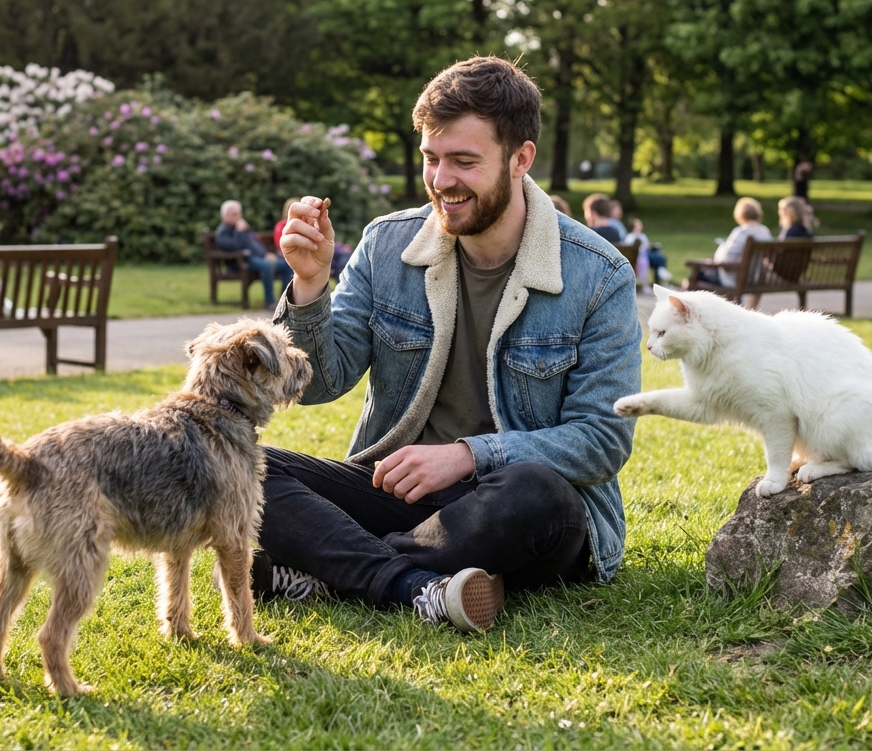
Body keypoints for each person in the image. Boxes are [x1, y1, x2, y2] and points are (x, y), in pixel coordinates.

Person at [258, 56, 641, 633]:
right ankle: (415, 586)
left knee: (534, 491)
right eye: (431, 159)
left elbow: (601, 440)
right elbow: (319, 385)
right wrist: (311, 286)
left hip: (518, 505)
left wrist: (467, 455)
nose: (441, 180)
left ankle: (332, 565)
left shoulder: (598, 274)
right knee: (243, 464)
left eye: (464, 162)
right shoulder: (387, 244)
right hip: (399, 493)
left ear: (521, 159)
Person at [215, 199, 293, 307]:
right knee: (267, 265)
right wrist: (239, 232)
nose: (239, 217)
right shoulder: (223, 232)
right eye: (235, 214)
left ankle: (285, 301)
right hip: (241, 263)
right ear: (225, 215)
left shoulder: (243, 228)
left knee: (286, 264)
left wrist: (266, 254)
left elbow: (254, 243)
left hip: (258, 259)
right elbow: (235, 247)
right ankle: (269, 301)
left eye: (239, 213)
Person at [699, 196, 772, 288]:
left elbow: (726, 260)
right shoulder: (765, 232)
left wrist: (716, 259)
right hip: (755, 278)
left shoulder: (741, 232)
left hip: (734, 280)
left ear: (740, 215)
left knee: (699, 273)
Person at [624, 218, 672, 284]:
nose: (640, 227)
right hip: (637, 256)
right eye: (638, 225)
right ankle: (660, 271)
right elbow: (629, 249)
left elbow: (647, 246)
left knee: (660, 256)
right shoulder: (630, 237)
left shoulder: (642, 236)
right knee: (654, 258)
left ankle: (661, 271)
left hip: (646, 254)